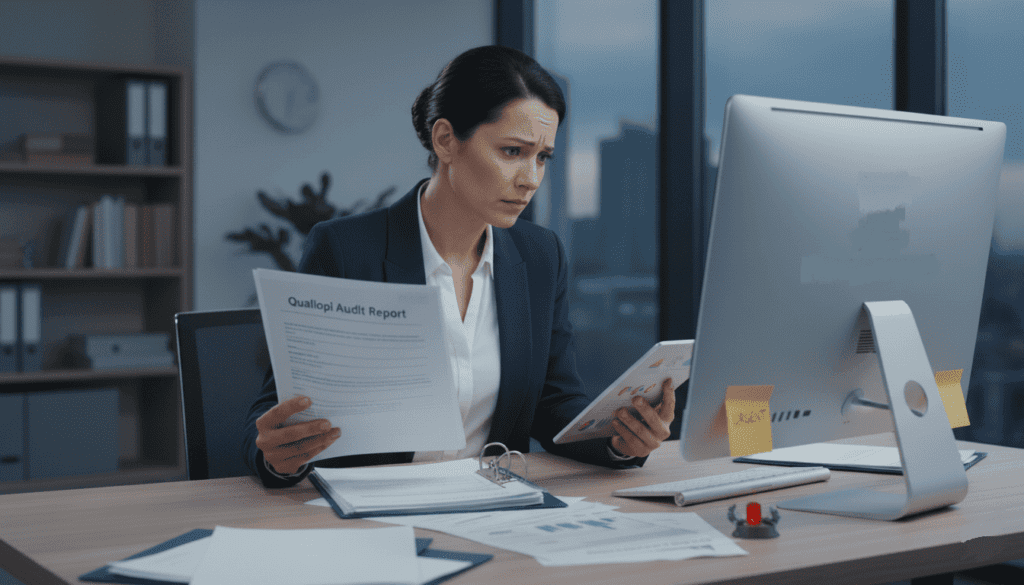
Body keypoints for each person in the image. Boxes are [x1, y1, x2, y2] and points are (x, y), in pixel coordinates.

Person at [242, 45, 675, 488]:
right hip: (371, 515)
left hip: (494, 507)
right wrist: (280, 457)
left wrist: (620, 441)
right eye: (512, 151)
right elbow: (274, 414)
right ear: (445, 140)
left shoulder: (541, 255)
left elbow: (555, 403)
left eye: (542, 157)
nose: (530, 179)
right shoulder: (346, 250)